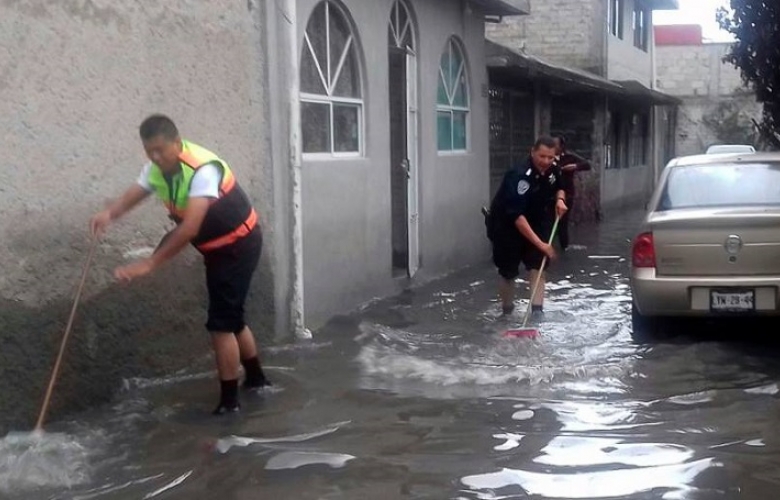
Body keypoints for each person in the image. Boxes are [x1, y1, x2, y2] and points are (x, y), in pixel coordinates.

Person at [90, 114, 270, 415]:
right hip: (216, 248)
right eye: (150, 152)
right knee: (230, 316)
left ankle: (229, 405)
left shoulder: (202, 169)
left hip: (239, 244)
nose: (156, 157)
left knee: (220, 324)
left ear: (177, 142)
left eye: (161, 149)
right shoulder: (156, 168)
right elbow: (138, 191)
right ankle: (257, 381)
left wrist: (150, 264)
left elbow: (189, 228)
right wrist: (110, 214)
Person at [485, 136, 568, 317]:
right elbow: (517, 218)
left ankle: (537, 315)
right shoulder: (519, 176)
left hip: (535, 221)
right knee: (508, 272)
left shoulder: (553, 170)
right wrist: (542, 245)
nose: (546, 161)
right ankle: (506, 313)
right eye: (542, 156)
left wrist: (560, 200)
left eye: (550, 157)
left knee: (538, 266)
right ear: (532, 152)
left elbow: (561, 185)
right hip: (507, 227)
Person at [552, 135, 591, 251]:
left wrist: (575, 166)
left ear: (561, 146)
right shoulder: (548, 158)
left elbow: (587, 164)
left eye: (555, 145)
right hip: (551, 194)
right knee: (549, 220)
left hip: (567, 194)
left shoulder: (569, 157)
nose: (552, 147)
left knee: (563, 221)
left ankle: (564, 247)